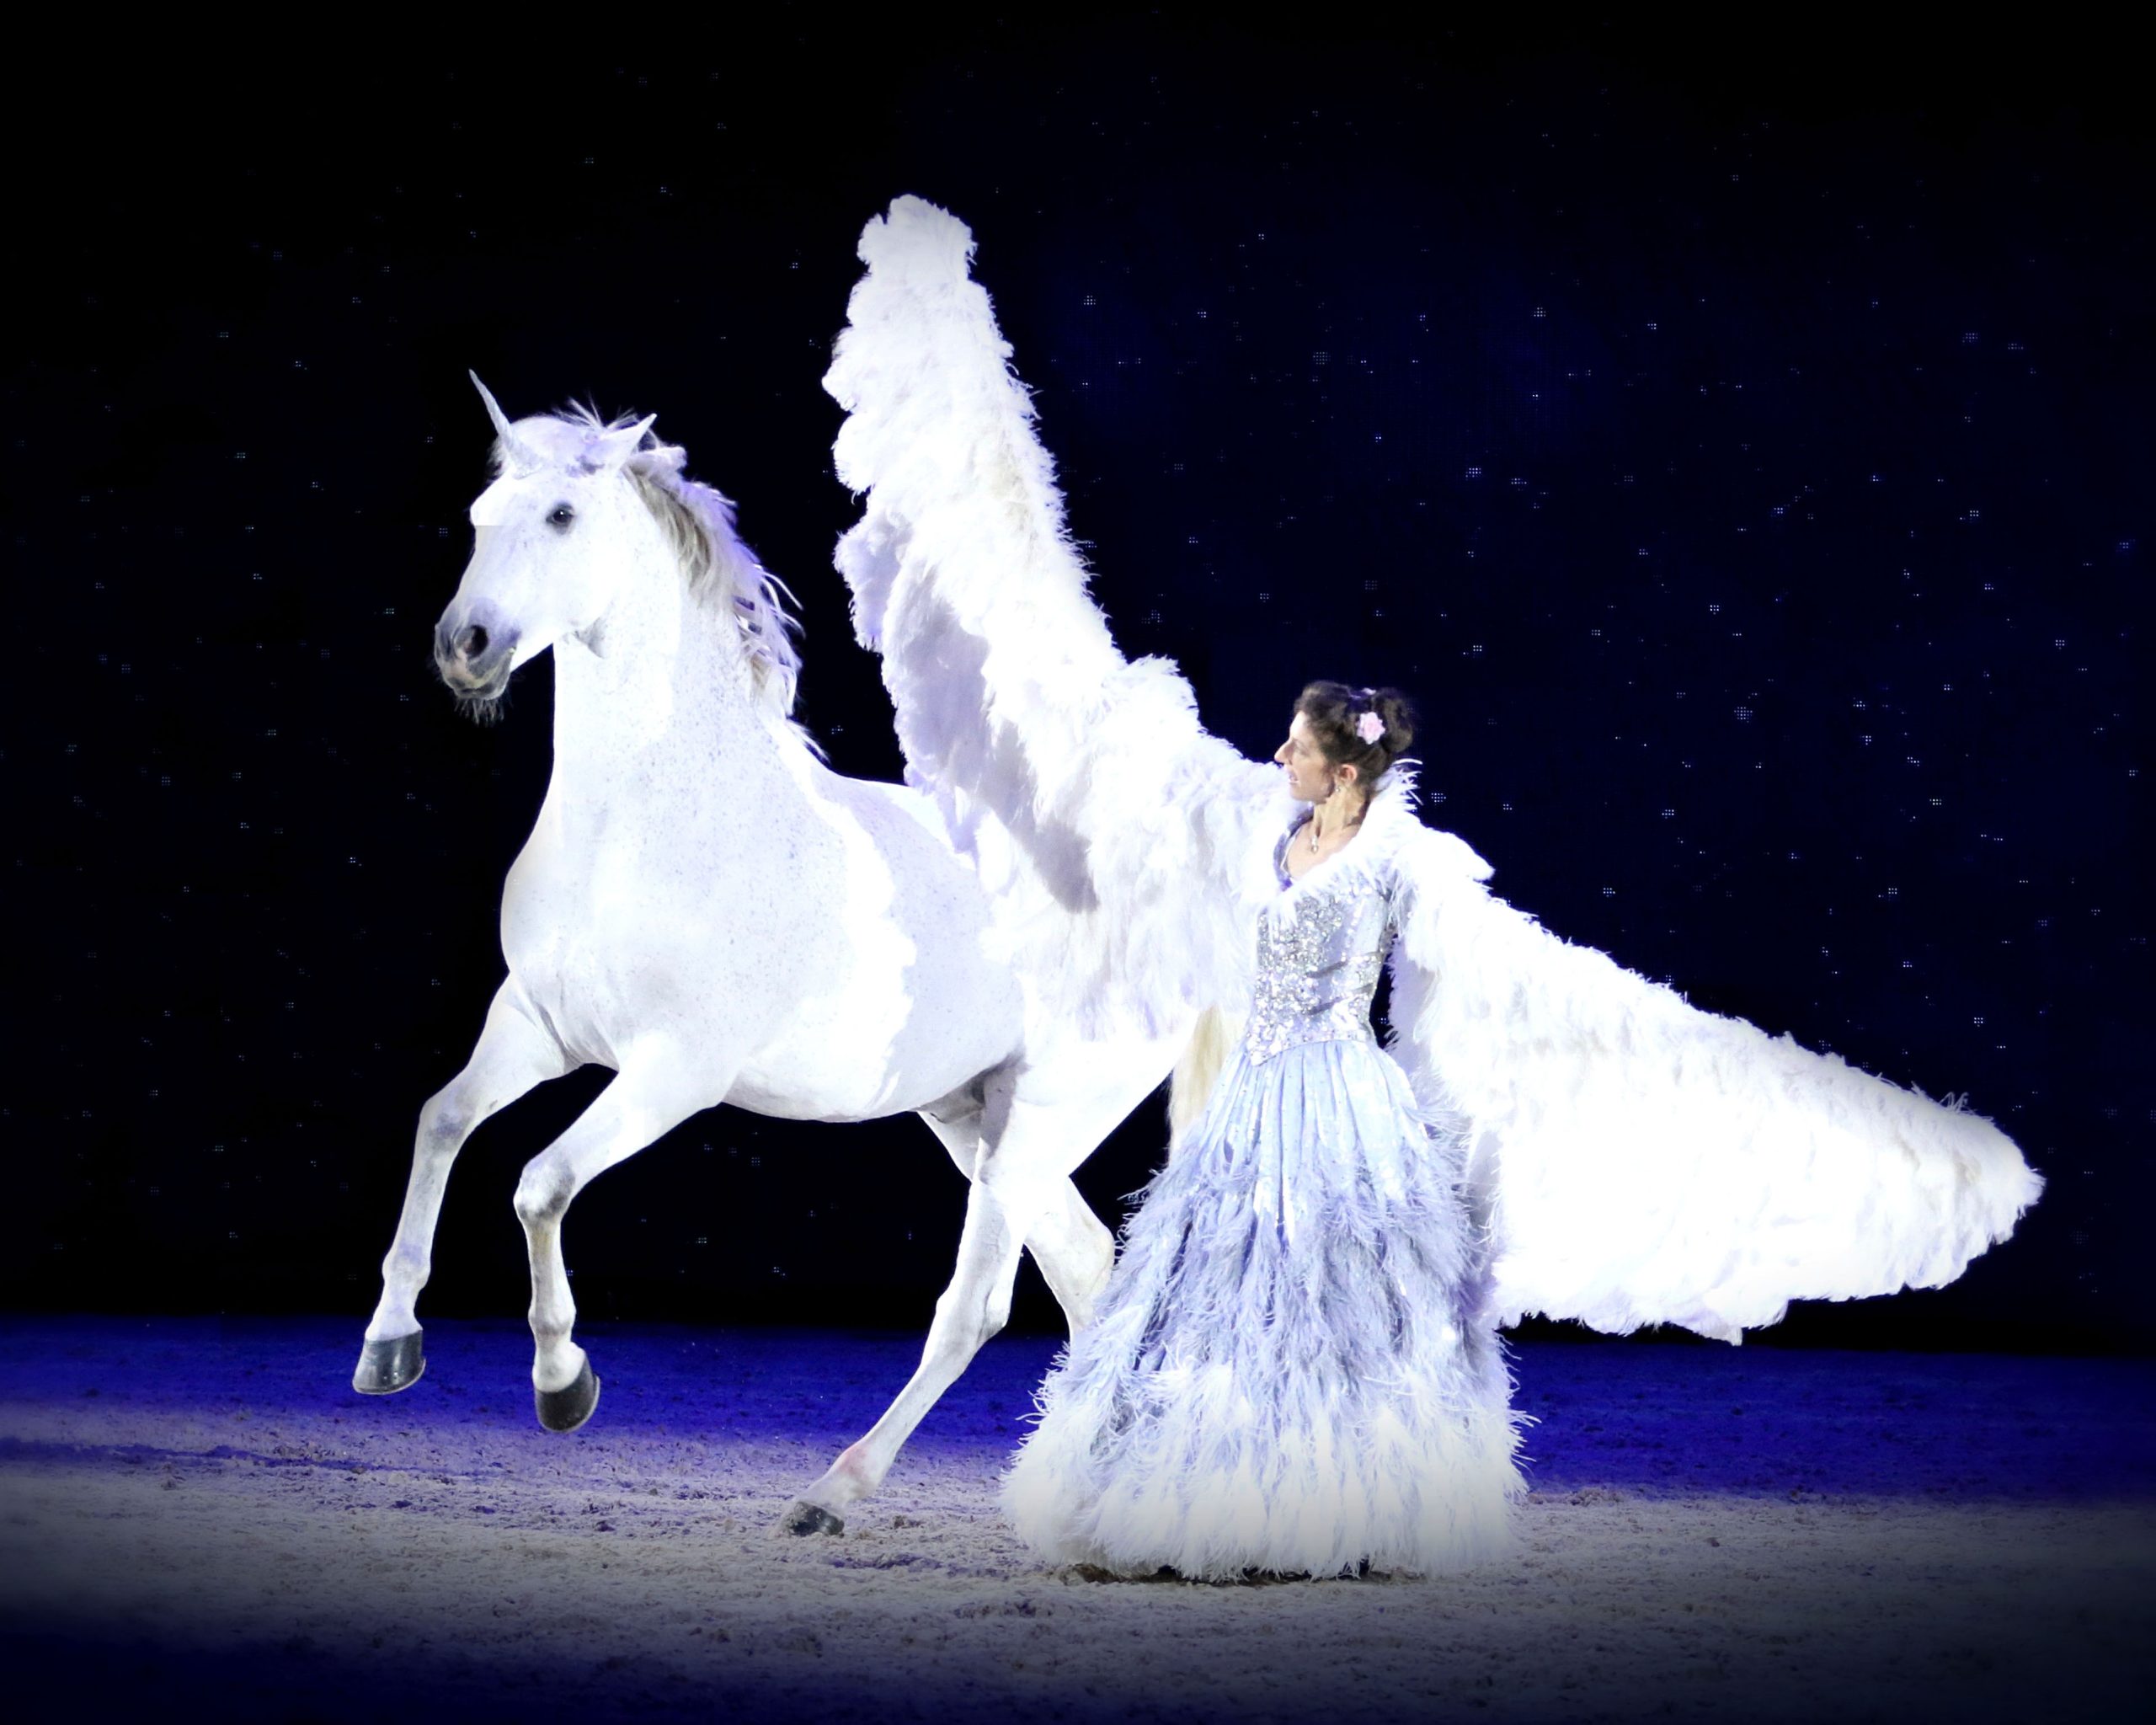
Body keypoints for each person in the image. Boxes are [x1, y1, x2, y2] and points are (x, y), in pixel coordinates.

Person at [1000, 681, 1524, 1581]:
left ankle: (1339, 1504)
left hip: (1339, 1094)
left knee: (1334, 1293)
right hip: (1253, 1091)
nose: (1280, 757)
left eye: (1297, 748)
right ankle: (1196, 1492)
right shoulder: (1279, 839)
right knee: (1211, 1284)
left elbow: (1468, 965)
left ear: (1345, 772)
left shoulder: (1399, 859)